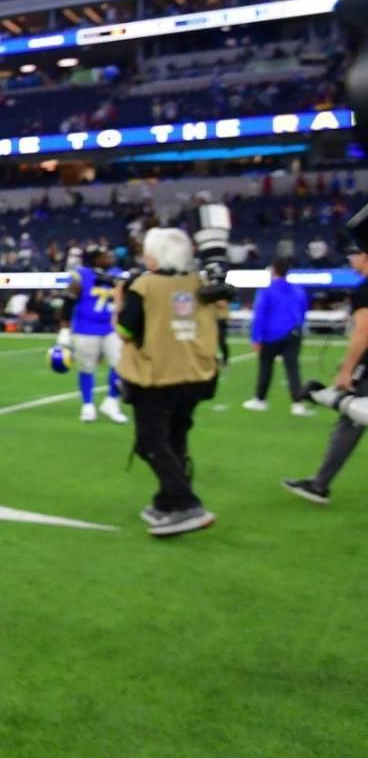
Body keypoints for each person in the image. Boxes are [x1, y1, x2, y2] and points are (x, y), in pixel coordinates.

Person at [115, 228, 220, 537]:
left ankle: (186, 503)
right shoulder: (197, 282)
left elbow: (125, 331)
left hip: (156, 375)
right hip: (194, 373)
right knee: (175, 437)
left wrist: (121, 300)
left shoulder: (145, 285)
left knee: (150, 442)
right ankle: (165, 502)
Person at [283, 240, 368, 504]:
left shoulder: (364, 290)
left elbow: (364, 331)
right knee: (349, 422)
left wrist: (347, 369)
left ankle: (320, 484)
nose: (350, 261)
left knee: (351, 418)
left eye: (353, 255)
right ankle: (320, 483)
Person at [57, 246, 128, 424]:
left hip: (111, 327)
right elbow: (68, 301)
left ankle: (111, 401)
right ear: (95, 259)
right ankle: (87, 405)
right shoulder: (80, 274)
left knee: (121, 365)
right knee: (86, 368)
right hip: (86, 328)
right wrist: (64, 330)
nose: (110, 258)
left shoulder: (117, 273)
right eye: (105, 256)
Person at [246, 258, 313, 415]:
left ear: (273, 270)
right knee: (293, 369)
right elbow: (303, 310)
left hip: (271, 335)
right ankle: (298, 404)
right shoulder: (298, 290)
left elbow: (260, 315)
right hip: (293, 333)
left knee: (266, 368)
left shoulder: (266, 290)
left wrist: (256, 338)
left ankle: (260, 400)